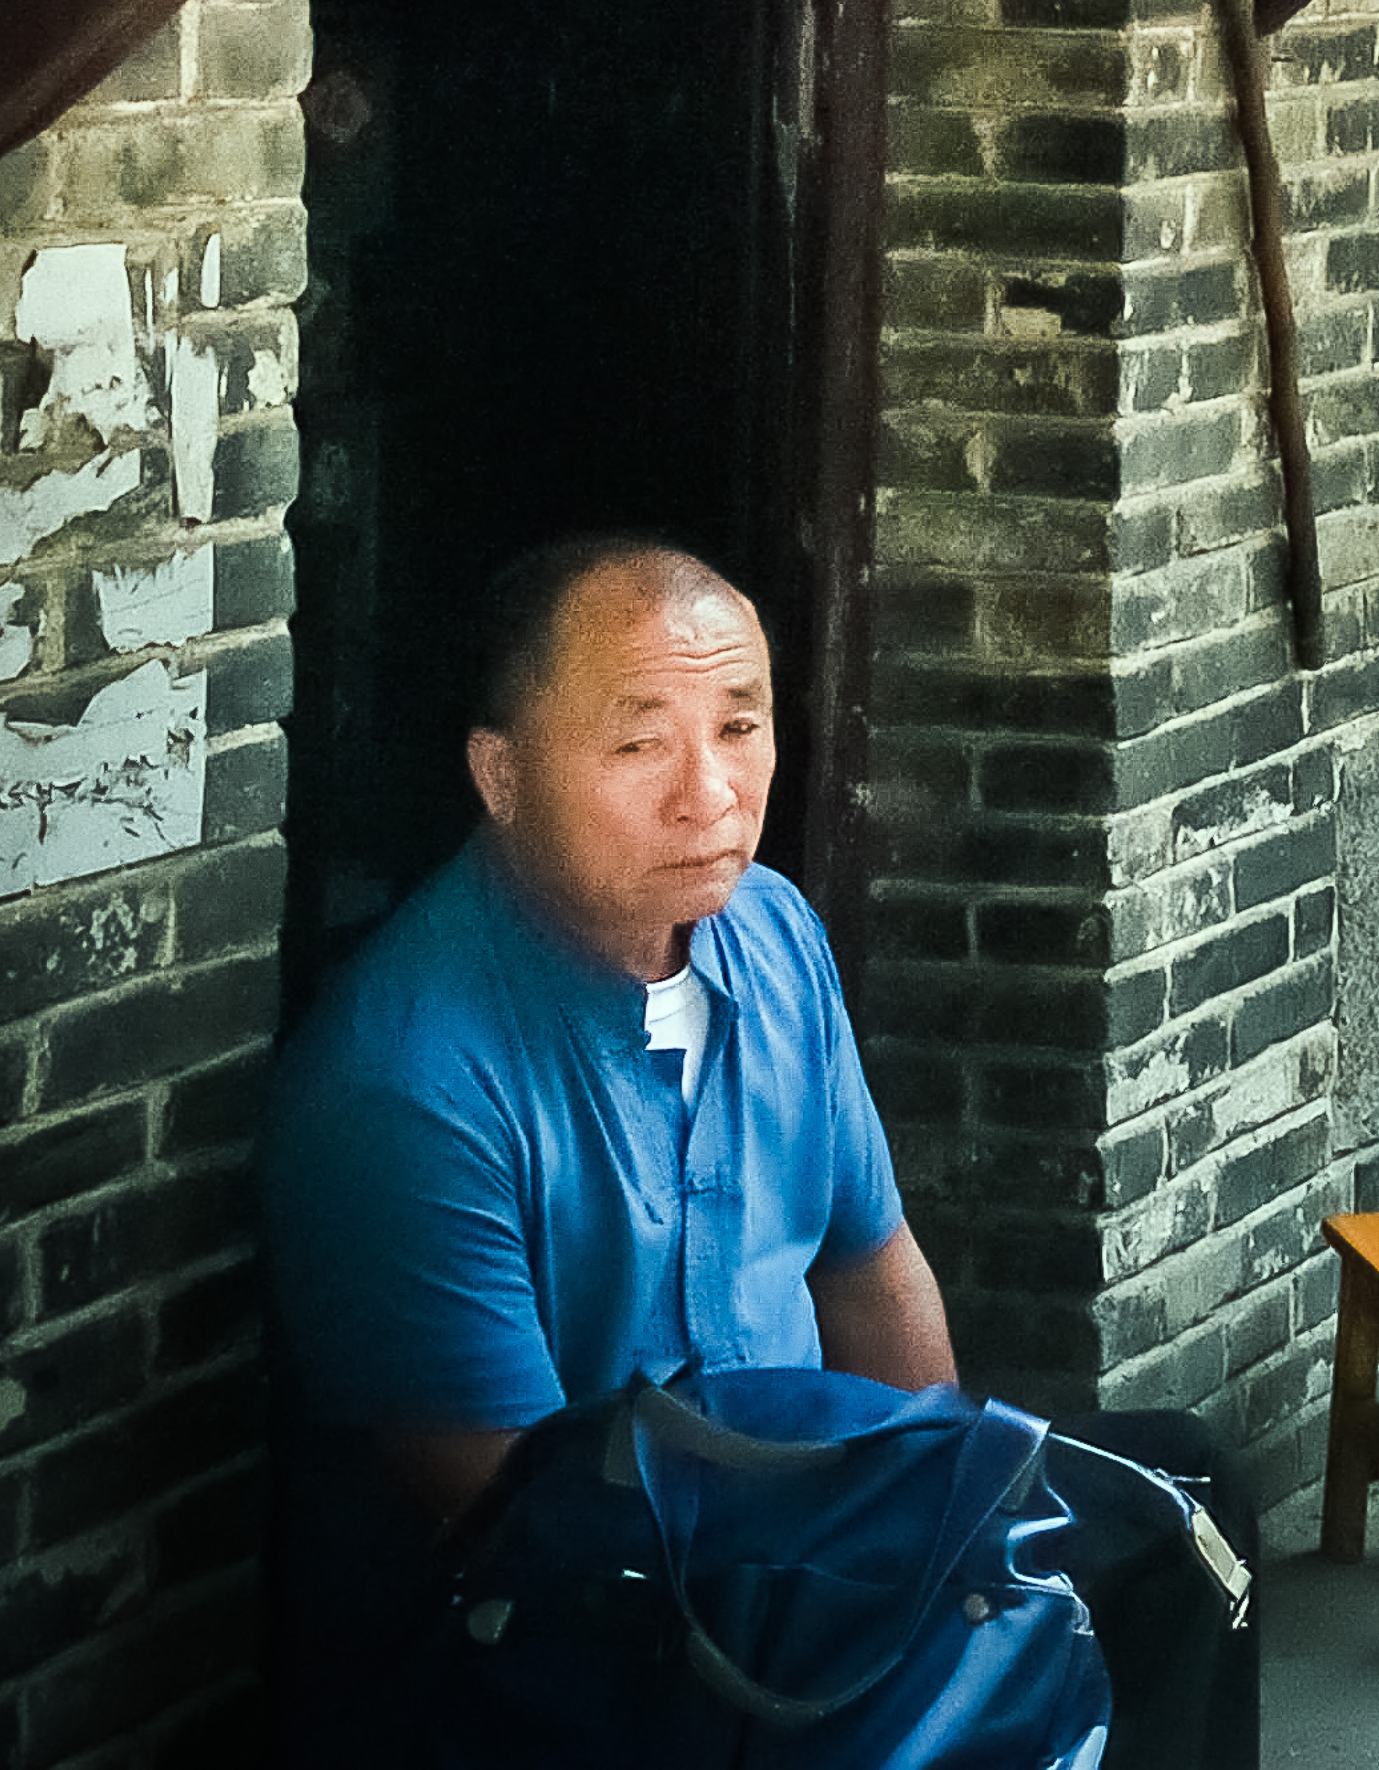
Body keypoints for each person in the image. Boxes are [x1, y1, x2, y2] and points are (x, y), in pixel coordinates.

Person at [266, 534, 1251, 1765]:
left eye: (739, 728)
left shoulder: (773, 934)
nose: (710, 795)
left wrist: (946, 1533)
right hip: (569, 1628)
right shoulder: (406, 1081)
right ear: (501, 775)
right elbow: (515, 1525)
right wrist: (869, 1591)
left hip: (797, 1535)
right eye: (640, 746)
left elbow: (868, 1266)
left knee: (1181, 1506)